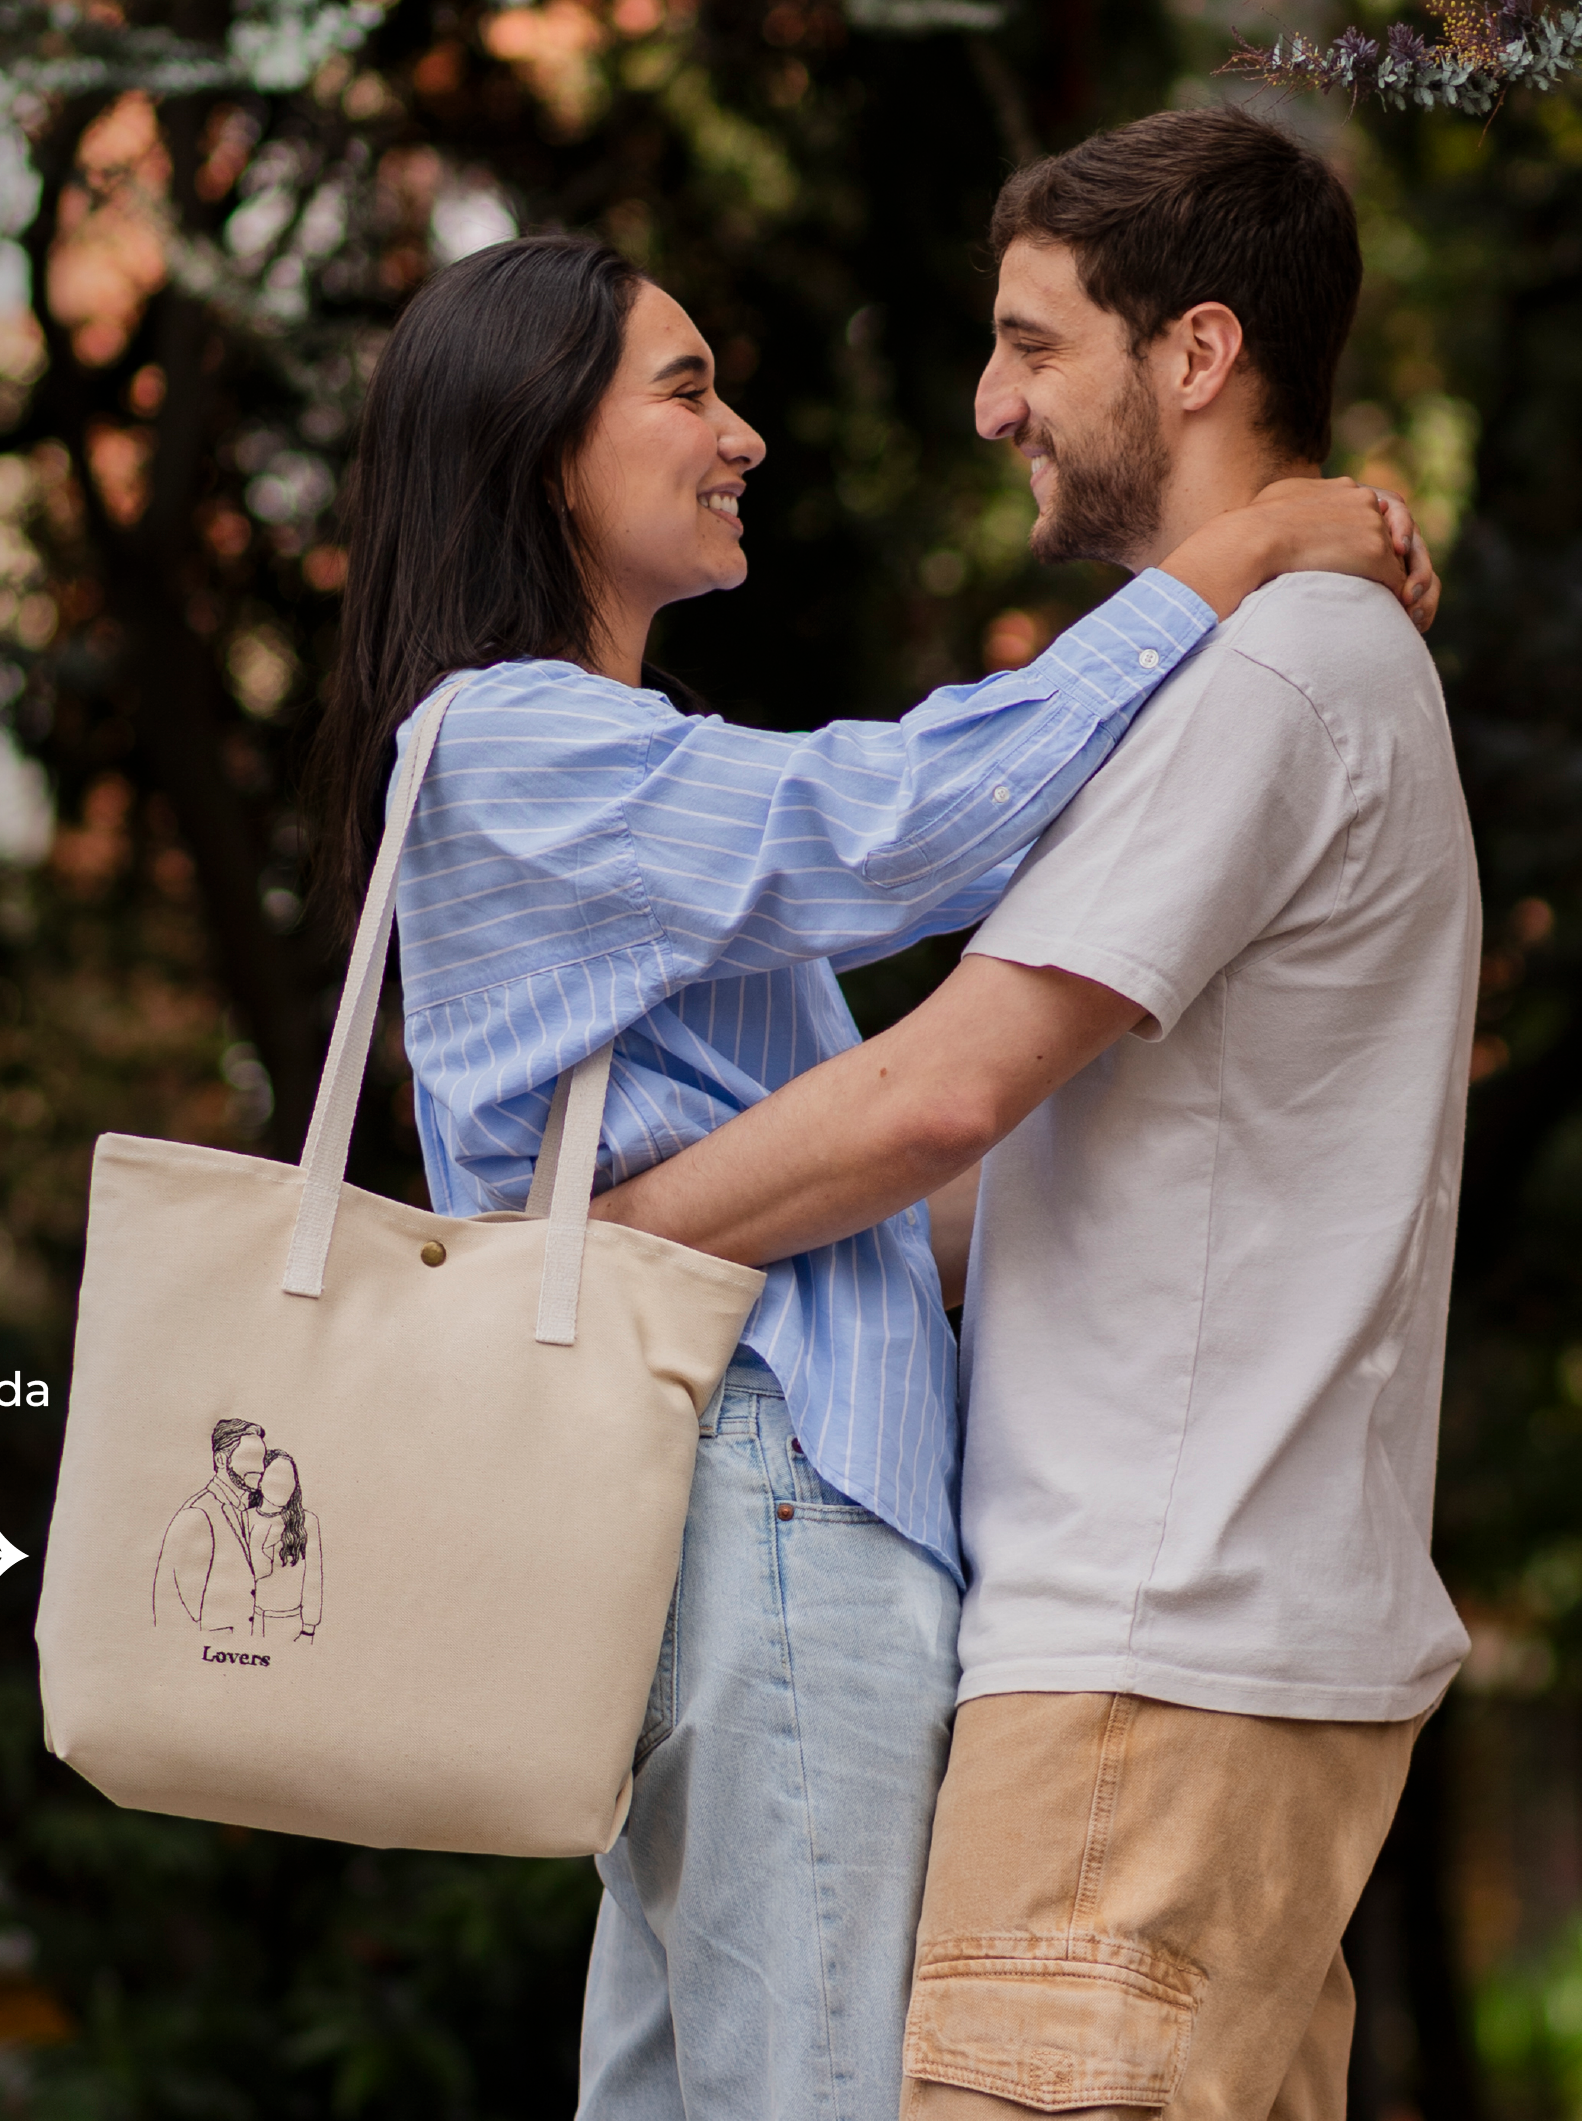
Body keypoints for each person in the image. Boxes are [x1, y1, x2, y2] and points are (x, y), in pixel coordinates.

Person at [309, 227, 1436, 2117]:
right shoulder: (524, 746)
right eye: (684, 392)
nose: (741, 434)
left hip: (710, 1506)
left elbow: (848, 1186)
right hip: (770, 1505)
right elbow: (902, 820)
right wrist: (1228, 568)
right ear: (538, 446)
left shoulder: (585, 771)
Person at [593, 107, 1474, 2116]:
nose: (990, 406)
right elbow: (1015, 1179)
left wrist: (585, 1251)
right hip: (1227, 1656)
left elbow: (942, 1097)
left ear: (1198, 355)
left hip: (1139, 1668)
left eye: (1033, 344)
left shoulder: (1269, 681)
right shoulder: (1305, 662)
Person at [154, 1417, 266, 1634]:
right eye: (251, 1457)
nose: (260, 1468)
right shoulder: (198, 1514)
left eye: (262, 1459)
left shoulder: (244, 1511)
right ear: (222, 1459)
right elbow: (180, 1607)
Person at [248, 1449, 323, 1642]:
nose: (282, 1485)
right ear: (260, 1481)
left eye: (289, 1478)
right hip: (248, 1622)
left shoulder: (306, 1522)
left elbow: (313, 1578)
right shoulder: (244, 1518)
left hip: (289, 1625)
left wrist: (308, 1630)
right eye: (275, 1476)